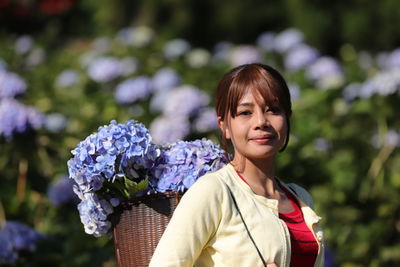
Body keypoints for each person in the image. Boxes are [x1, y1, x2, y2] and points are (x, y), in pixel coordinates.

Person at [149, 63, 324, 267]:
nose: (261, 121)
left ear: (287, 118)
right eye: (245, 113)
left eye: (273, 110)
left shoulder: (301, 198)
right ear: (224, 126)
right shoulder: (214, 191)